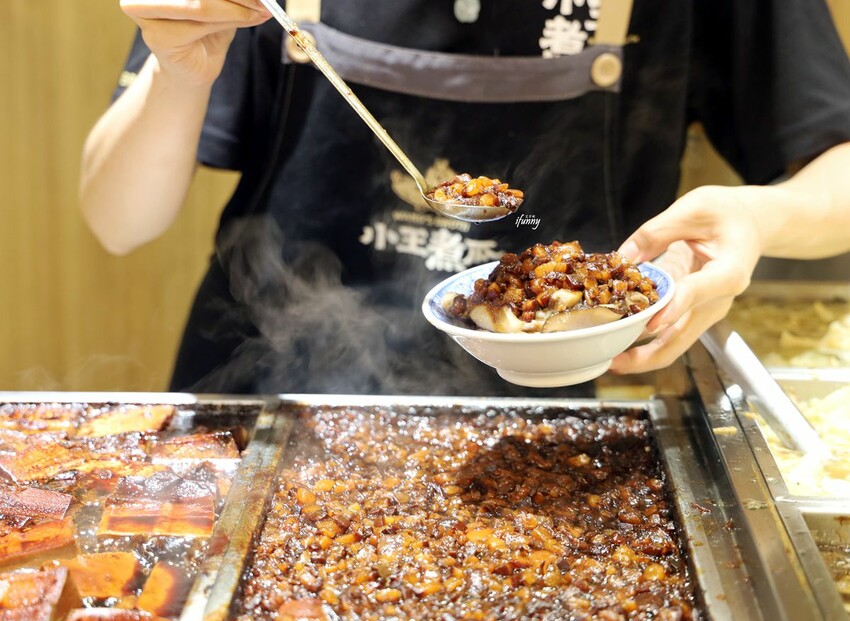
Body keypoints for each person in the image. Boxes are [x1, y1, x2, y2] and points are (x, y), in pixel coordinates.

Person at [79, 0, 850, 395]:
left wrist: (756, 217)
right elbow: (116, 220)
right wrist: (178, 69)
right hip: (268, 403)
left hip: (561, 421)